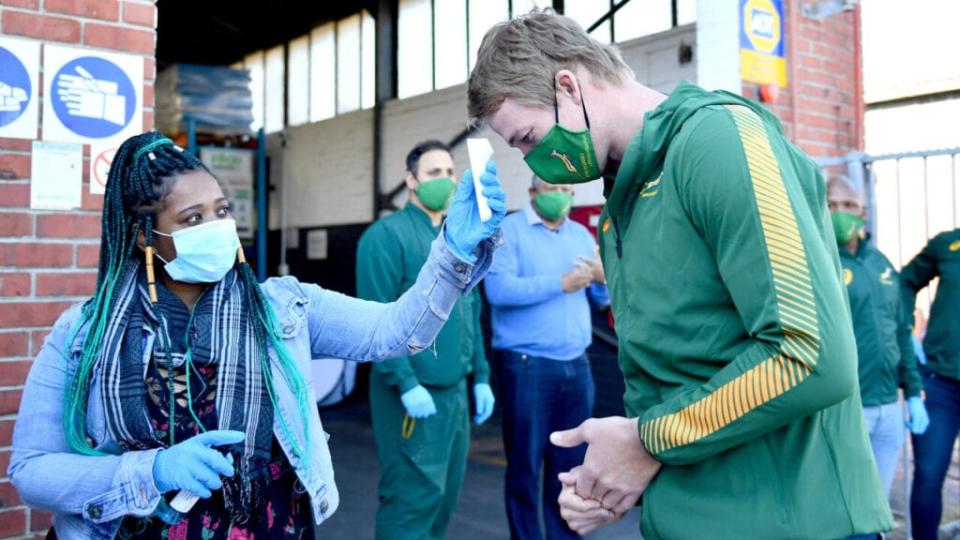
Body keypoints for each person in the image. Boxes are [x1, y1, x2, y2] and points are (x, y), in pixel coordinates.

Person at [467, 9, 892, 539]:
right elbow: (678, 369)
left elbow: (810, 355)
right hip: (695, 515)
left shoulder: (718, 140)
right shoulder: (623, 197)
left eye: (528, 137)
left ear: (570, 86)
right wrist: (616, 477)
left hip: (792, 520)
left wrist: (645, 441)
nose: (534, 163)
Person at [7, 132, 505, 540]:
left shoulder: (282, 307)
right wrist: (151, 471)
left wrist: (454, 253)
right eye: (192, 218)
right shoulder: (84, 332)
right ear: (145, 236)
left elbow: (395, 333)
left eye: (222, 210)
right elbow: (32, 471)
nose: (218, 227)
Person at [355, 139, 496, 540]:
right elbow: (373, 320)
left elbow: (470, 310)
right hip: (411, 395)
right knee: (411, 500)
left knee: (444, 498)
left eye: (451, 172)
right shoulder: (385, 238)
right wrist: (406, 383)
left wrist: (481, 376)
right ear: (410, 180)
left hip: (453, 393)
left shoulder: (459, 238)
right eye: (435, 172)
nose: (446, 180)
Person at [485, 175, 609, 540]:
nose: (562, 197)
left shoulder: (580, 236)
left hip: (577, 364)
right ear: (533, 192)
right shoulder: (509, 231)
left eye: (568, 192)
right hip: (527, 366)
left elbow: (601, 301)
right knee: (525, 465)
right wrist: (561, 282)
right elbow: (498, 290)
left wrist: (604, 279)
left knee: (570, 467)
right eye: (554, 190)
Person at [827, 177, 929, 495]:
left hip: (889, 408)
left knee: (878, 507)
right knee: (843, 506)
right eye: (830, 205)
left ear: (863, 211)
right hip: (847, 408)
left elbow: (901, 330)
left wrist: (913, 392)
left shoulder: (881, 263)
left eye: (848, 205)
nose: (840, 212)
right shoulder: (821, 262)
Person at [901, 226, 960, 540]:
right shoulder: (948, 245)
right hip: (940, 385)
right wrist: (908, 329)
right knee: (928, 477)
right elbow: (904, 282)